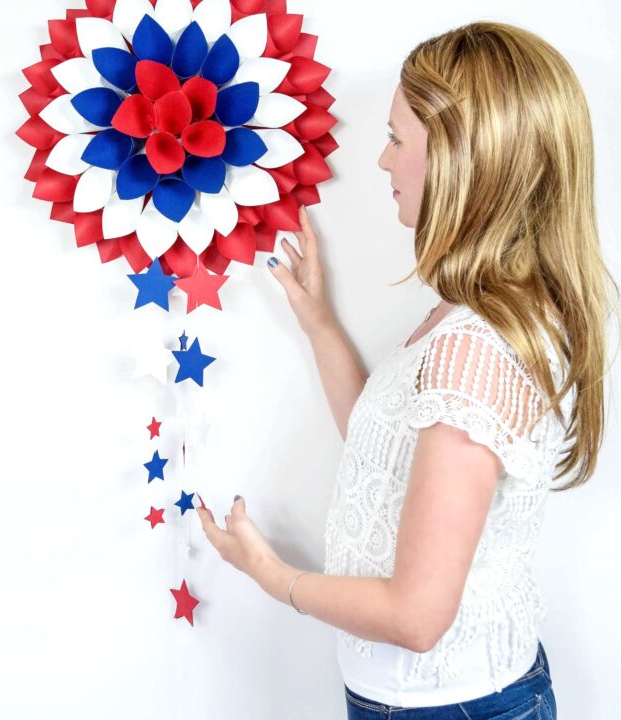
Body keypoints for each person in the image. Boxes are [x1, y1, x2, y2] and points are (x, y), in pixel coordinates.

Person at [196, 20, 618, 719]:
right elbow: (392, 452)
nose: (383, 163)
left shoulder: (475, 347)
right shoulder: (474, 319)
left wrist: (274, 578)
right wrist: (321, 325)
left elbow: (417, 616)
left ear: (461, 159)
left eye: (396, 139)